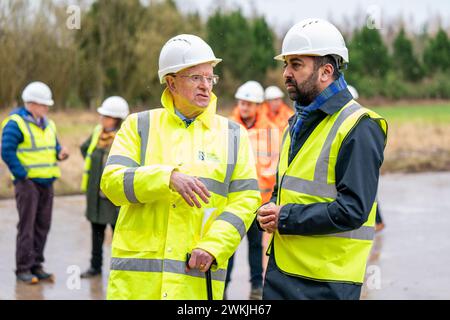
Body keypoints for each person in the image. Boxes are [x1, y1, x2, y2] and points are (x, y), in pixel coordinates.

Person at [100, 34, 261, 300]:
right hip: (137, 288)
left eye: (210, 78)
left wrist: (214, 247)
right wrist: (167, 178)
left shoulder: (234, 134)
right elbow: (113, 184)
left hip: (195, 282)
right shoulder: (138, 126)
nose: (206, 86)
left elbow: (246, 200)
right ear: (171, 82)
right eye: (195, 77)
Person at [256, 18, 388, 300]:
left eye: (296, 64)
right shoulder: (296, 123)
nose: (286, 73)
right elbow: (288, 192)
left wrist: (285, 217)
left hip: (328, 284)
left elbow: (353, 210)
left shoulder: (360, 126)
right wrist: (271, 211)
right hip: (282, 275)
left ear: (326, 71)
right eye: (285, 64)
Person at [1, 81, 69, 284]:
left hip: (47, 182)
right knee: (27, 226)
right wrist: (22, 175)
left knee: (43, 225)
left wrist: (60, 153)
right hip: (27, 183)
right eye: (43, 104)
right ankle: (23, 268)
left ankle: (36, 266)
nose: (47, 108)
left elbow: (53, 146)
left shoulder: (49, 124)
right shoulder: (16, 123)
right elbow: (6, 150)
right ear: (31, 103)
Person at [226, 80, 278, 300]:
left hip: (258, 201)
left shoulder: (271, 130)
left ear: (258, 105)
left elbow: (274, 166)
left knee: (256, 246)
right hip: (230, 201)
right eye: (241, 102)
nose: (243, 107)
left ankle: (257, 287)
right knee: (226, 246)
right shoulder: (226, 127)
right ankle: (222, 290)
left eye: (248, 103)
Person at [79, 96, 130, 278]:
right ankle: (95, 267)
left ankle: (122, 270)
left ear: (117, 119)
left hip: (115, 199)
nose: (102, 119)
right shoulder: (97, 133)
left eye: (106, 116)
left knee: (120, 235)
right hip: (96, 197)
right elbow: (85, 148)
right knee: (96, 233)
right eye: (102, 116)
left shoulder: (125, 137)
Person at [348, 85, 386, 232]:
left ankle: (378, 222)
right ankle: (377, 222)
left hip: (363, 165)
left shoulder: (361, 122)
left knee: (368, 193)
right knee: (369, 193)